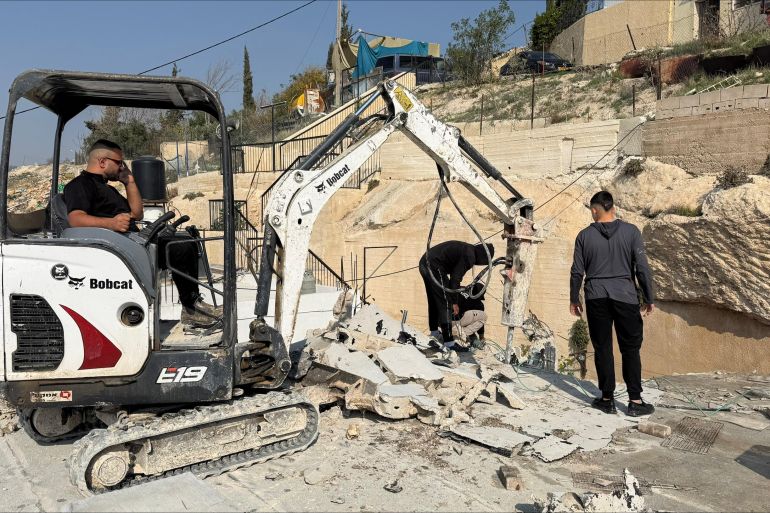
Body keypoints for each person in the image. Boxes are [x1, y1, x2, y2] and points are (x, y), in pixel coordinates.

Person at [64, 139, 221, 328]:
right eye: (119, 162)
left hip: (130, 243)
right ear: (103, 162)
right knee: (180, 247)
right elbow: (76, 219)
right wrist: (111, 223)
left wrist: (129, 181)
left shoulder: (107, 188)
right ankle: (191, 309)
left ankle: (192, 304)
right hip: (116, 249)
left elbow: (137, 213)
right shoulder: (80, 185)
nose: (122, 167)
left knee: (185, 241)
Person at [570, 191, 655, 417]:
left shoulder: (584, 236)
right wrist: (649, 297)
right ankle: (635, 401)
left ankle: (606, 399)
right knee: (630, 348)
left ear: (595, 210)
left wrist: (573, 299)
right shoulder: (631, 232)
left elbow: (577, 271)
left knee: (602, 348)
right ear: (613, 208)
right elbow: (642, 268)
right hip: (625, 296)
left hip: (596, 296)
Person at [419, 241, 494, 347]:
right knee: (445, 301)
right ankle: (449, 343)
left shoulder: (468, 249)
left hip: (424, 262)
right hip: (434, 265)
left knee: (433, 299)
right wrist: (454, 302)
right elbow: (455, 279)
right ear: (483, 257)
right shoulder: (470, 256)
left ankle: (434, 333)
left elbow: (452, 281)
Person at [457, 281, 487, 349]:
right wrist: (481, 337)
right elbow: (479, 321)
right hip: (456, 323)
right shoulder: (478, 304)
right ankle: (462, 334)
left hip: (442, 320)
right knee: (483, 316)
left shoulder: (460, 289)